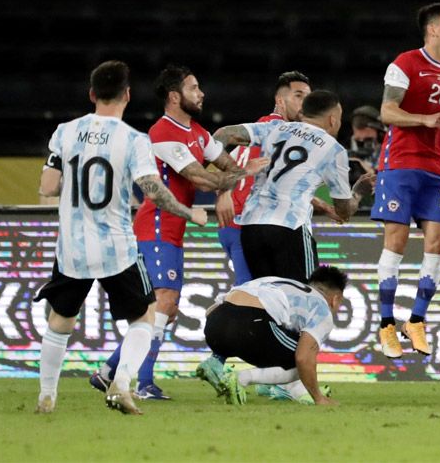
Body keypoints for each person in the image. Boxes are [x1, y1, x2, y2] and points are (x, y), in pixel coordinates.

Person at [35, 61, 209, 415]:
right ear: (128, 95)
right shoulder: (133, 139)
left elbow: (48, 186)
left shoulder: (64, 132)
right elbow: (153, 192)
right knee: (145, 317)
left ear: (92, 94)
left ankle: (47, 398)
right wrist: (189, 212)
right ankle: (121, 385)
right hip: (117, 247)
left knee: (60, 322)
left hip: (72, 247)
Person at [91, 65, 264, 401]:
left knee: (164, 310)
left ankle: (108, 372)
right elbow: (202, 178)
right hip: (155, 224)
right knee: (163, 304)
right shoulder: (163, 133)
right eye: (194, 88)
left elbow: (225, 166)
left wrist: (239, 173)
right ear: (174, 97)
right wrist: (243, 174)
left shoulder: (198, 132)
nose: (201, 94)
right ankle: (141, 383)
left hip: (171, 229)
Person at [373, 2, 440, 358]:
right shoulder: (405, 63)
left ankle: (416, 320)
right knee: (397, 240)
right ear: (433, 29)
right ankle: (386, 324)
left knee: (437, 242)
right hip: (401, 164)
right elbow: (387, 112)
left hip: (437, 170)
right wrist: (425, 119)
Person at [211, 90, 376, 284]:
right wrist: (358, 192)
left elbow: (222, 134)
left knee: (265, 298)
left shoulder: (275, 128)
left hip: (251, 228)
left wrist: (224, 187)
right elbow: (343, 212)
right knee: (303, 296)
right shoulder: (333, 149)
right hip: (290, 228)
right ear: (332, 119)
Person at [214, 71, 313, 286]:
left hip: (231, 226)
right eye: (298, 95)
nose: (305, 102)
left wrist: (224, 192)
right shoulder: (283, 132)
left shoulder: (255, 131)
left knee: (257, 293)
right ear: (280, 101)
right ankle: (219, 316)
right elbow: (221, 137)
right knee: (255, 296)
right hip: (248, 224)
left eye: (308, 96)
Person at [199, 266, 349, 407]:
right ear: (335, 299)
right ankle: (240, 379)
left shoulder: (279, 282)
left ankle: (215, 362)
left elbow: (210, 311)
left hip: (214, 324)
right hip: (250, 324)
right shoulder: (322, 308)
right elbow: (303, 358)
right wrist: (319, 398)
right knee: (302, 361)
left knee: (278, 337)